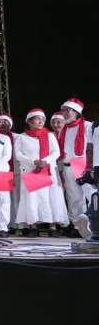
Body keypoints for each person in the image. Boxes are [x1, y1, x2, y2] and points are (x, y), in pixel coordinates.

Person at [14, 109, 69, 236]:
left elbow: (56, 152)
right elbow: (18, 155)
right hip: (30, 171)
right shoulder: (22, 137)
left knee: (50, 198)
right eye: (37, 119)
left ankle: (52, 226)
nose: (40, 121)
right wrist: (33, 161)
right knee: (31, 199)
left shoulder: (49, 135)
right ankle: (33, 226)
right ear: (29, 121)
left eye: (43, 119)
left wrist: (44, 161)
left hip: (47, 170)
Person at [57, 97, 94, 228]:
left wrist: (91, 167)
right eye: (63, 111)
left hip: (83, 166)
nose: (64, 113)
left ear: (76, 112)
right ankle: (77, 226)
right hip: (68, 167)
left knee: (91, 195)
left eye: (68, 110)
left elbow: (93, 147)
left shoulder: (88, 125)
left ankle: (93, 223)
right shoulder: (64, 128)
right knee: (73, 198)